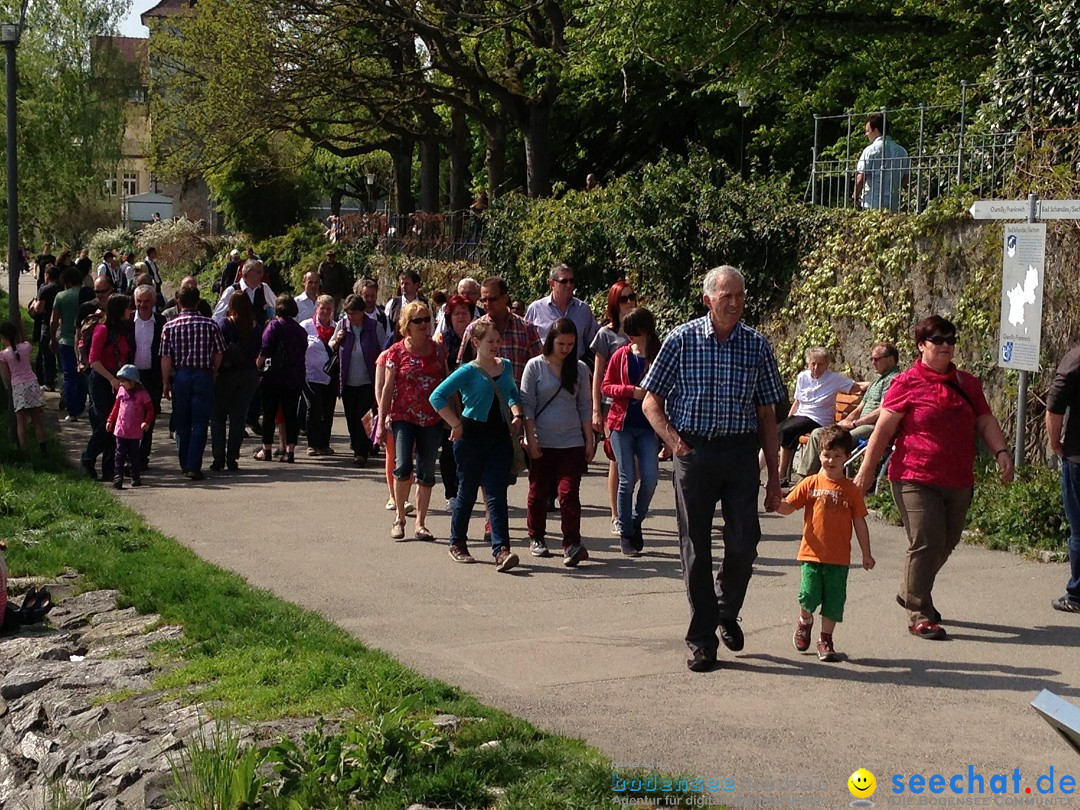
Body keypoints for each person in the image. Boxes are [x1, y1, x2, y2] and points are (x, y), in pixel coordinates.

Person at [642, 265, 785, 673]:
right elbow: (651, 401)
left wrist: (774, 477)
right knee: (696, 548)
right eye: (727, 297)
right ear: (708, 300)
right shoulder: (681, 340)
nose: (736, 303)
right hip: (695, 453)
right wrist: (674, 442)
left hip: (741, 453)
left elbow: (768, 415)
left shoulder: (756, 345)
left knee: (744, 542)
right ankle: (703, 640)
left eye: (741, 295)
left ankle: (725, 610)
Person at [853, 315, 1013, 640]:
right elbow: (882, 431)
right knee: (926, 540)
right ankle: (918, 611)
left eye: (950, 339)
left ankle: (910, 588)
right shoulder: (906, 383)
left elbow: (985, 420)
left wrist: (1002, 453)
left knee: (948, 541)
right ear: (921, 345)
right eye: (937, 339)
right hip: (914, 475)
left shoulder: (968, 383)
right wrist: (865, 475)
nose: (945, 345)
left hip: (958, 479)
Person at [430, 320, 524, 571]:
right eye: (489, 341)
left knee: (496, 493)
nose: (495, 346)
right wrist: (455, 424)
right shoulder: (468, 371)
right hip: (471, 437)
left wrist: (516, 414)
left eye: (497, 341)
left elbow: (512, 392)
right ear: (476, 342)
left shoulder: (505, 366)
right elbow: (436, 396)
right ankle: (457, 543)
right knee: (468, 492)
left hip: (500, 437)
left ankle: (502, 550)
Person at [776, 427, 874, 662]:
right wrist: (773, 503)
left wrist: (866, 554)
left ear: (846, 457)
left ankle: (825, 639)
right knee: (808, 595)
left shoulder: (851, 490)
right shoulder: (811, 483)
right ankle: (804, 621)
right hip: (811, 554)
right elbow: (789, 507)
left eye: (838, 456)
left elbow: (860, 523)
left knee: (833, 601)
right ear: (820, 454)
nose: (831, 460)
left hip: (839, 559)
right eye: (827, 455)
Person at [521, 318, 595, 566]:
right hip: (542, 441)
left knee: (568, 493)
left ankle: (572, 543)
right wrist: (531, 438)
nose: (565, 349)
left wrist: (589, 438)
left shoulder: (581, 369)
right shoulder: (535, 367)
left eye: (571, 344)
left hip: (571, 441)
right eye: (561, 343)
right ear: (550, 341)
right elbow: (527, 405)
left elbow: (585, 405)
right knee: (538, 491)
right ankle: (536, 537)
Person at [377, 301, 446, 541]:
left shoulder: (438, 349)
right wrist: (380, 421)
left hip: (432, 418)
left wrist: (455, 418)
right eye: (418, 320)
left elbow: (447, 382)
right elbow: (387, 388)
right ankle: (399, 517)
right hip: (403, 416)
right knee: (403, 465)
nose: (424, 325)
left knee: (427, 470)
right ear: (407, 325)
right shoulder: (396, 351)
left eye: (427, 319)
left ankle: (420, 523)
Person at [602, 307, 661, 557]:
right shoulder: (620, 355)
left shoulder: (658, 355)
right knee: (626, 479)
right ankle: (626, 532)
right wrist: (628, 390)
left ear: (645, 331)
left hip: (649, 426)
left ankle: (636, 520)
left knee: (650, 478)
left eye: (633, 332)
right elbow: (606, 386)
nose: (629, 337)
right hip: (621, 425)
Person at [797, 342, 900, 478]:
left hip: (874, 427)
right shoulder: (877, 380)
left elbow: (882, 411)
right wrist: (845, 422)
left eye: (876, 359)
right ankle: (806, 479)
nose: (873, 363)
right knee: (819, 433)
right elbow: (859, 408)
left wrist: (854, 424)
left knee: (837, 440)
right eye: (871, 359)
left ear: (891, 359)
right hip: (859, 423)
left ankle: (818, 481)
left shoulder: (894, 380)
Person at [772, 347, 864, 486]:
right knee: (779, 429)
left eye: (820, 364)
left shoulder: (834, 379)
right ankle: (773, 473)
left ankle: (781, 475)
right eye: (813, 364)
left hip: (819, 419)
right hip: (801, 416)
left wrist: (876, 383)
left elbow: (856, 387)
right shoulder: (803, 376)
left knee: (786, 430)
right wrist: (788, 419)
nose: (816, 367)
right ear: (808, 364)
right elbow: (797, 402)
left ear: (827, 365)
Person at [160, 286, 225, 480]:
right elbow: (219, 352)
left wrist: (165, 382)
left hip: (181, 375)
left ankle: (184, 462)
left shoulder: (169, 326)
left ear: (178, 302)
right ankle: (193, 465)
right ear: (198, 302)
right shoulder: (210, 324)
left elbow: (165, 357)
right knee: (200, 421)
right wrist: (214, 370)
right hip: (202, 374)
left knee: (182, 420)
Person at [592, 279, 637, 535]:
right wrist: (596, 410)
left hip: (640, 406)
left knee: (639, 464)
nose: (630, 302)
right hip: (613, 406)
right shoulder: (606, 335)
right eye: (624, 298)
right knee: (618, 461)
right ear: (614, 302)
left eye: (633, 297)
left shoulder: (642, 331)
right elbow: (598, 376)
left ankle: (625, 505)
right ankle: (616, 514)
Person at [81, 294, 135, 481]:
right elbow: (93, 360)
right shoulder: (102, 330)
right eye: (128, 308)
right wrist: (111, 379)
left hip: (118, 380)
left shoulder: (122, 330)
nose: (131, 311)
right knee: (107, 424)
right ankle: (87, 459)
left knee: (116, 426)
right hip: (102, 380)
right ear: (119, 310)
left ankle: (109, 469)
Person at [1045, 345, 1080, 614]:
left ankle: (1077, 594)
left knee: (1079, 528)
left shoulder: (1076, 358)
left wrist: (1055, 441)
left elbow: (1055, 403)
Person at [209, 291, 261, 472]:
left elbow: (218, 349)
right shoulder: (255, 326)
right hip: (248, 375)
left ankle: (218, 458)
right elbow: (258, 351)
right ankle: (232, 458)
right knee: (238, 418)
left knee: (218, 417)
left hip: (227, 374)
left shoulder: (225, 324)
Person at [254, 294, 309, 464]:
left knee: (269, 413)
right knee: (290, 414)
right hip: (294, 377)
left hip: (273, 377)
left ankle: (267, 449)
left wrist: (257, 365)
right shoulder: (300, 330)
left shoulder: (273, 326)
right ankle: (290, 451)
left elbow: (265, 349)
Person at [459, 276, 542, 385]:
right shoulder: (473, 329)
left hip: (519, 398)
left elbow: (540, 366)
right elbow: (462, 366)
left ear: (505, 298)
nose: (487, 304)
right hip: (484, 399)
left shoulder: (526, 328)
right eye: (483, 300)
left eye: (492, 299)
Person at [434, 294, 474, 508]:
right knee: (450, 447)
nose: (461, 317)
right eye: (456, 313)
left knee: (469, 448)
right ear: (449, 317)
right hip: (449, 401)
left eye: (464, 313)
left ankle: (464, 488)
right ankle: (452, 492)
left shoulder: (476, 337)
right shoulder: (442, 341)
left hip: (472, 399)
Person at [328, 294, 379, 465]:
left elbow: (384, 349)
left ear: (362, 312)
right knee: (351, 417)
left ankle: (361, 452)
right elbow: (331, 344)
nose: (351, 317)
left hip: (367, 380)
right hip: (348, 380)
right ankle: (358, 446)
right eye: (348, 313)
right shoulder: (343, 324)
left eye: (354, 313)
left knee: (363, 416)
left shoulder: (374, 326)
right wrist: (337, 339)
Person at [524, 263, 599, 359]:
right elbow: (525, 343)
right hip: (545, 369)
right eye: (563, 281)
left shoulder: (583, 310)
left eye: (571, 281)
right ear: (552, 284)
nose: (569, 285)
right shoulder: (536, 309)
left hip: (575, 369)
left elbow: (592, 343)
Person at [131, 284, 166, 472]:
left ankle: (143, 457)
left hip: (153, 377)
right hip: (132, 377)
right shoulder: (128, 321)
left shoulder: (161, 322)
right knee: (129, 417)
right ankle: (130, 456)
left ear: (153, 302)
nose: (142, 305)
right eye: (139, 301)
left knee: (148, 418)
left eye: (146, 301)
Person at [50, 267, 92, 422]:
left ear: (67, 281)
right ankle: (82, 406)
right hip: (85, 341)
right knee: (83, 374)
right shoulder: (88, 294)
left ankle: (72, 411)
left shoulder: (61, 296)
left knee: (69, 376)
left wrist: (53, 338)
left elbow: (53, 320)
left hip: (66, 341)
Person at [0, 322, 47, 455]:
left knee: (21, 422)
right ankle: (43, 448)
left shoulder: (4, 354)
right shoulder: (25, 347)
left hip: (18, 386)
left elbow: (6, 375)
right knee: (37, 420)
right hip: (32, 383)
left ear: (3, 337)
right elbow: (27, 340)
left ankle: (23, 450)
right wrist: (21, 327)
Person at [300, 295, 339, 457]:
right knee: (313, 407)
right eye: (322, 308)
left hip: (330, 376)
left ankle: (324, 444)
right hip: (310, 375)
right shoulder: (306, 326)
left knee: (328, 409)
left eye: (329, 309)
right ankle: (312, 444)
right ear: (316, 309)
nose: (325, 312)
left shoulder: (338, 328)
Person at [106, 365, 154, 489]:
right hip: (121, 429)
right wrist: (110, 420)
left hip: (134, 431)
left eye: (123, 381)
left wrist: (146, 422)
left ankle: (135, 475)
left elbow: (150, 409)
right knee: (119, 454)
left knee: (134, 454)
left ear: (132, 381)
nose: (121, 384)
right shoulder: (121, 392)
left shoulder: (142, 394)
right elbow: (116, 407)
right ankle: (118, 475)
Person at [854, 112, 910, 212]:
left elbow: (861, 178)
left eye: (867, 131)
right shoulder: (902, 151)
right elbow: (906, 178)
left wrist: (855, 196)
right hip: (893, 203)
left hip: (872, 202)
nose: (866, 134)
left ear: (875, 130)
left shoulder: (870, 150)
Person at [213, 259, 275, 329]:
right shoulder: (232, 291)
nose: (262, 275)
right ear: (247, 273)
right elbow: (217, 317)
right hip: (238, 337)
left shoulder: (264, 288)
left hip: (259, 337)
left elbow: (277, 308)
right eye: (259, 272)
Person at [32, 264, 61, 391]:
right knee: (60, 355)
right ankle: (60, 380)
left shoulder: (45, 289)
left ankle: (49, 381)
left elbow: (39, 309)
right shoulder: (61, 287)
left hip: (47, 323)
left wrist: (33, 304)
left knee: (47, 353)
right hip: (61, 323)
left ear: (47, 275)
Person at [384, 270, 428, 343]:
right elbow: (387, 330)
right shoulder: (392, 304)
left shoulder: (425, 304)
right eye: (402, 284)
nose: (403, 286)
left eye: (407, 284)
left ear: (416, 285)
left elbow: (430, 327)